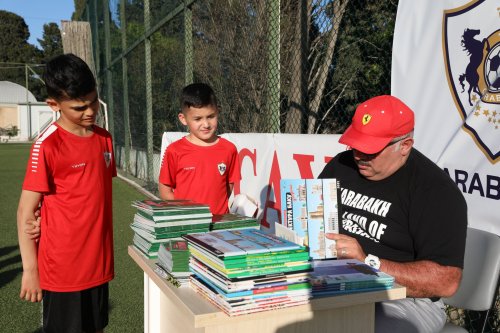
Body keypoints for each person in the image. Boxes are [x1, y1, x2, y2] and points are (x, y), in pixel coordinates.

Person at [319, 95, 467, 333]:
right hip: (333, 281)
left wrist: (367, 262)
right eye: (356, 144)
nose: (359, 156)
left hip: (404, 299)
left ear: (405, 146)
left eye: (370, 149)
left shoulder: (436, 192)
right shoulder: (342, 165)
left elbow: (446, 281)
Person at [17, 53, 116, 333]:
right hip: (62, 268)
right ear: (54, 105)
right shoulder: (46, 145)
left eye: (93, 101)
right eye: (79, 107)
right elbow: (26, 210)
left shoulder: (104, 138)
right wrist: (31, 269)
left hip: (98, 264)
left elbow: (91, 197)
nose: (90, 111)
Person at [158, 83, 240, 215]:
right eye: (198, 119)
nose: (206, 124)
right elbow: (165, 190)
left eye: (211, 116)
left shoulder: (229, 149)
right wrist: (186, 212)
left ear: (217, 111)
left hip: (218, 226)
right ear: (183, 119)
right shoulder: (174, 150)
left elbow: (228, 187)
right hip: (187, 224)